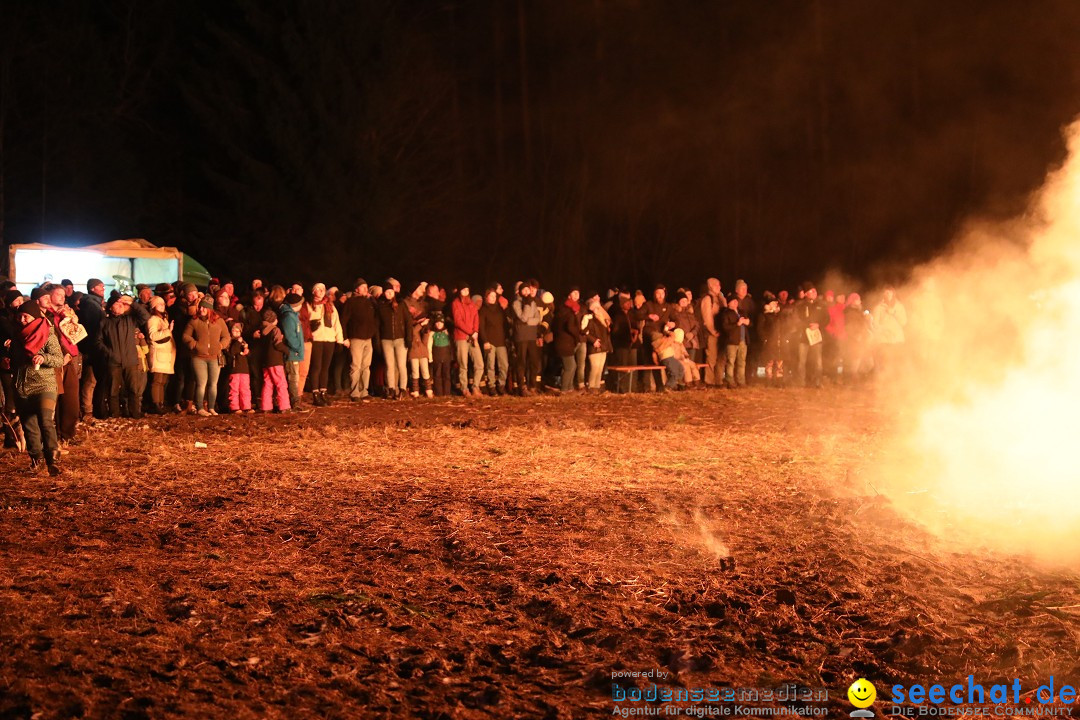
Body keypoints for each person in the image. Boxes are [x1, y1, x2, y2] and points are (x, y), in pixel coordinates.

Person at [13, 300, 65, 475]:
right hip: (23, 386)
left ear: (34, 316)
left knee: (45, 421)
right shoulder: (16, 336)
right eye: (19, 316)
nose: (22, 320)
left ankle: (53, 460)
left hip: (45, 384)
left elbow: (58, 358)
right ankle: (37, 460)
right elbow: (13, 359)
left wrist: (43, 358)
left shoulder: (48, 334)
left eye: (25, 317)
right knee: (29, 425)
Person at [46, 284, 83, 442]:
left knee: (71, 398)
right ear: (49, 296)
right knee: (57, 398)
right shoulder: (47, 314)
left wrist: (71, 319)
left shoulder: (66, 313)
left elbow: (76, 335)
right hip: (57, 358)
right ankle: (57, 435)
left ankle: (68, 433)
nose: (63, 297)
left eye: (63, 294)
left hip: (71, 357)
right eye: (58, 294)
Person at [97, 295, 143, 418]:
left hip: (130, 360)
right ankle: (115, 413)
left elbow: (145, 316)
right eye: (117, 303)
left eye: (121, 303)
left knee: (133, 388)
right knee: (113, 390)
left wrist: (132, 303)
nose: (121, 305)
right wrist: (110, 353)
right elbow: (98, 341)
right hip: (113, 361)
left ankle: (134, 413)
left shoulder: (129, 319)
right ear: (110, 307)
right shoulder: (105, 322)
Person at [183, 297, 230, 416]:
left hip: (215, 357)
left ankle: (212, 407)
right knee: (201, 383)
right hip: (199, 357)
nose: (201, 309)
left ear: (210, 309)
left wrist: (220, 345)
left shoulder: (219, 322)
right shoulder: (194, 321)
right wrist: (195, 345)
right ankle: (200, 408)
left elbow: (226, 336)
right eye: (200, 307)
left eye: (204, 307)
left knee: (213, 384)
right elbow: (185, 336)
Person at [306, 282, 344, 406]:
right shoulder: (309, 305)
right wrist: (311, 325)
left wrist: (339, 340)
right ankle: (315, 393)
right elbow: (306, 320)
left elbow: (336, 323)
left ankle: (323, 392)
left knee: (325, 368)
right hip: (316, 339)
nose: (320, 291)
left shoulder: (330, 305)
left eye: (322, 289)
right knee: (316, 366)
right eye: (317, 289)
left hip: (329, 339)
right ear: (313, 292)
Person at [340, 278, 376, 401]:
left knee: (366, 366)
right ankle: (355, 392)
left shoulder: (369, 302)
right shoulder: (350, 303)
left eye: (367, 286)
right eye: (363, 287)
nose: (366, 289)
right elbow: (343, 321)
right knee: (356, 366)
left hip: (368, 338)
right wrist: (345, 337)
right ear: (356, 289)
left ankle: (364, 391)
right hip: (356, 338)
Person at [77, 277, 106, 419]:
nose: (103, 289)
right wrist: (92, 347)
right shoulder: (91, 305)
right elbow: (92, 328)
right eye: (100, 286)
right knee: (90, 380)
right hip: (92, 348)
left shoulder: (95, 304)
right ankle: (87, 410)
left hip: (93, 347)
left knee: (93, 380)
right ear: (92, 288)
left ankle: (91, 408)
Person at [376, 285, 411, 400]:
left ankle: (402, 389)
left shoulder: (401, 305)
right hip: (386, 340)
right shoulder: (381, 306)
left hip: (400, 339)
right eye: (386, 292)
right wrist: (378, 341)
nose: (388, 294)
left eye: (390, 291)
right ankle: (391, 388)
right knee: (390, 365)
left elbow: (407, 322)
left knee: (401, 365)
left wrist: (408, 338)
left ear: (394, 292)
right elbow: (378, 325)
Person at [794, 282, 829, 388]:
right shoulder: (801, 305)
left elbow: (827, 319)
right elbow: (796, 319)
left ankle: (818, 382)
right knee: (802, 361)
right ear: (806, 294)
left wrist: (818, 325)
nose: (814, 293)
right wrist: (806, 326)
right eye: (811, 291)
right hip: (803, 337)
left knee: (818, 361)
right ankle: (801, 382)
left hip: (816, 337)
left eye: (815, 291)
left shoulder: (821, 305)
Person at [452, 283, 483, 398]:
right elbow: (458, 321)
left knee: (479, 363)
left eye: (467, 289)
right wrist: (471, 332)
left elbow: (476, 318)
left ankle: (475, 386)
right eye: (463, 289)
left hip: (473, 337)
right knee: (463, 364)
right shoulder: (456, 304)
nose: (466, 291)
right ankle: (464, 388)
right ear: (460, 291)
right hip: (461, 337)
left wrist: (475, 331)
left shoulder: (471, 304)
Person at [511, 281, 542, 396]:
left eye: (528, 290)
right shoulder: (516, 303)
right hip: (521, 336)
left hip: (531, 335)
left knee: (534, 361)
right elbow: (523, 317)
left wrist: (530, 321)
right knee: (521, 362)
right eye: (524, 290)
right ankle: (522, 387)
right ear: (520, 291)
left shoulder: (532, 302)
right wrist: (528, 307)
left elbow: (537, 319)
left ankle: (532, 386)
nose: (527, 292)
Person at [146, 295, 176, 414]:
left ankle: (160, 403)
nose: (162, 306)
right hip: (159, 354)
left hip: (166, 356)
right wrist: (168, 330)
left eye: (163, 304)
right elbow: (153, 336)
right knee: (157, 381)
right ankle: (156, 403)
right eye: (159, 304)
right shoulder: (153, 319)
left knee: (163, 381)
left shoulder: (163, 319)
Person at [404, 282, 433, 398]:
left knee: (424, 370)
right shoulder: (406, 303)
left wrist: (425, 328)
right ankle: (416, 390)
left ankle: (427, 389)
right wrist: (420, 324)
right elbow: (410, 327)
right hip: (414, 343)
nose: (423, 291)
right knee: (415, 370)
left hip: (420, 344)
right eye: (421, 289)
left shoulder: (422, 304)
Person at [258, 309, 291, 413]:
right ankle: (284, 406)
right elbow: (278, 344)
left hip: (265, 361)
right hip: (276, 361)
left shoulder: (262, 331)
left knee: (268, 383)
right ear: (273, 320)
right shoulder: (275, 330)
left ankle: (266, 407)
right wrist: (287, 350)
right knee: (281, 383)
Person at [554, 288, 586, 393]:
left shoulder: (572, 308)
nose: (577, 295)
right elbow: (570, 326)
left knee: (571, 366)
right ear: (569, 295)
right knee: (570, 366)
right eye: (574, 293)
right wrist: (578, 334)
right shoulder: (568, 310)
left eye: (578, 292)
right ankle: (564, 389)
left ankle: (569, 388)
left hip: (567, 342)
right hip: (565, 342)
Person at [478, 287, 509, 396]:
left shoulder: (500, 310)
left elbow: (505, 324)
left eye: (494, 296)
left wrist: (507, 337)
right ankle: (491, 386)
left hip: (501, 341)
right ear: (486, 297)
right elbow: (481, 326)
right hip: (489, 341)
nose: (493, 298)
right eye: (491, 296)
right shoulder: (483, 310)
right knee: (490, 365)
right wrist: (485, 340)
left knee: (504, 365)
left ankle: (501, 385)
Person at [872, 287, 907, 379]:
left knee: (897, 360)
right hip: (884, 339)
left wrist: (893, 313)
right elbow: (875, 324)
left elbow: (903, 322)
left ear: (893, 294)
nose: (888, 294)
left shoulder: (899, 307)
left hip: (897, 339)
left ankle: (897, 380)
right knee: (885, 361)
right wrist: (884, 331)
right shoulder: (878, 307)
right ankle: (884, 382)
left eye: (890, 292)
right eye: (886, 292)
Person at [279, 291, 306, 407]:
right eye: (299, 304)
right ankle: (294, 402)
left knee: (295, 377)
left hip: (295, 352)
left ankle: (294, 401)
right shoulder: (289, 317)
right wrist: (297, 347)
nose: (301, 306)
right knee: (293, 378)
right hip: (292, 353)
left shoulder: (293, 316)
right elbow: (291, 336)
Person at [581, 295, 612, 393]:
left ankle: (597, 386)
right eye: (595, 307)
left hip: (603, 346)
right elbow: (584, 330)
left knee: (600, 368)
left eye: (598, 307)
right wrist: (593, 340)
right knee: (594, 367)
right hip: (594, 346)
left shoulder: (603, 319)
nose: (597, 309)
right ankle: (591, 386)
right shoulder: (588, 318)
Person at [843, 293, 872, 383]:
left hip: (862, 338)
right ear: (853, 301)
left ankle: (857, 379)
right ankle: (853, 381)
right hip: (856, 339)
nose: (860, 301)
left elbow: (862, 324)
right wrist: (856, 336)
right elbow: (849, 326)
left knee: (866, 361)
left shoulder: (859, 311)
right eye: (858, 299)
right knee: (856, 360)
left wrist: (867, 318)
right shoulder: (850, 312)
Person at [699, 278, 723, 386]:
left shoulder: (721, 298)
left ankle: (719, 380)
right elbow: (707, 317)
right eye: (716, 285)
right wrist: (713, 331)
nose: (719, 287)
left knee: (721, 358)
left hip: (722, 333)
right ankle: (709, 380)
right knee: (711, 357)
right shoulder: (707, 299)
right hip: (712, 333)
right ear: (710, 286)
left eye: (719, 285)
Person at [225, 323, 254, 413]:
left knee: (245, 388)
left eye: (238, 331)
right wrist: (237, 342)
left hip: (244, 369)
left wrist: (247, 352)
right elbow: (232, 352)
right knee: (234, 389)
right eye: (234, 331)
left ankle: (246, 406)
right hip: (235, 369)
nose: (236, 333)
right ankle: (234, 407)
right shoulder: (230, 342)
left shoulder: (243, 342)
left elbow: (250, 356)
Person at [430, 313, 453, 397]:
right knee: (437, 374)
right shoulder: (432, 334)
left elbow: (451, 346)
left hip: (446, 356)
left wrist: (452, 357)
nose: (439, 324)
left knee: (446, 374)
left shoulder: (447, 333)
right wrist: (430, 357)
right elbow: (429, 345)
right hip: (436, 356)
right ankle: (438, 392)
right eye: (437, 322)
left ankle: (447, 392)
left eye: (440, 322)